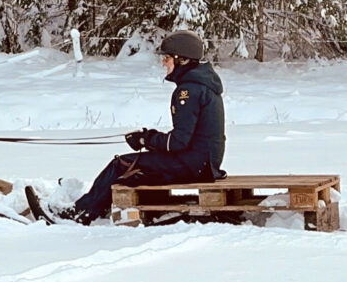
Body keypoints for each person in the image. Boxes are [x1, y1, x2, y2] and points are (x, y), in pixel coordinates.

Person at [26, 30, 226, 225]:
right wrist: (148, 137)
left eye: (167, 58)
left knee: (122, 165)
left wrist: (144, 140)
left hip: (194, 164)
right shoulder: (200, 85)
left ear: (181, 59)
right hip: (202, 162)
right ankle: (96, 205)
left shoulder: (188, 91)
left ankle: (80, 214)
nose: (163, 63)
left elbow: (178, 142)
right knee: (131, 167)